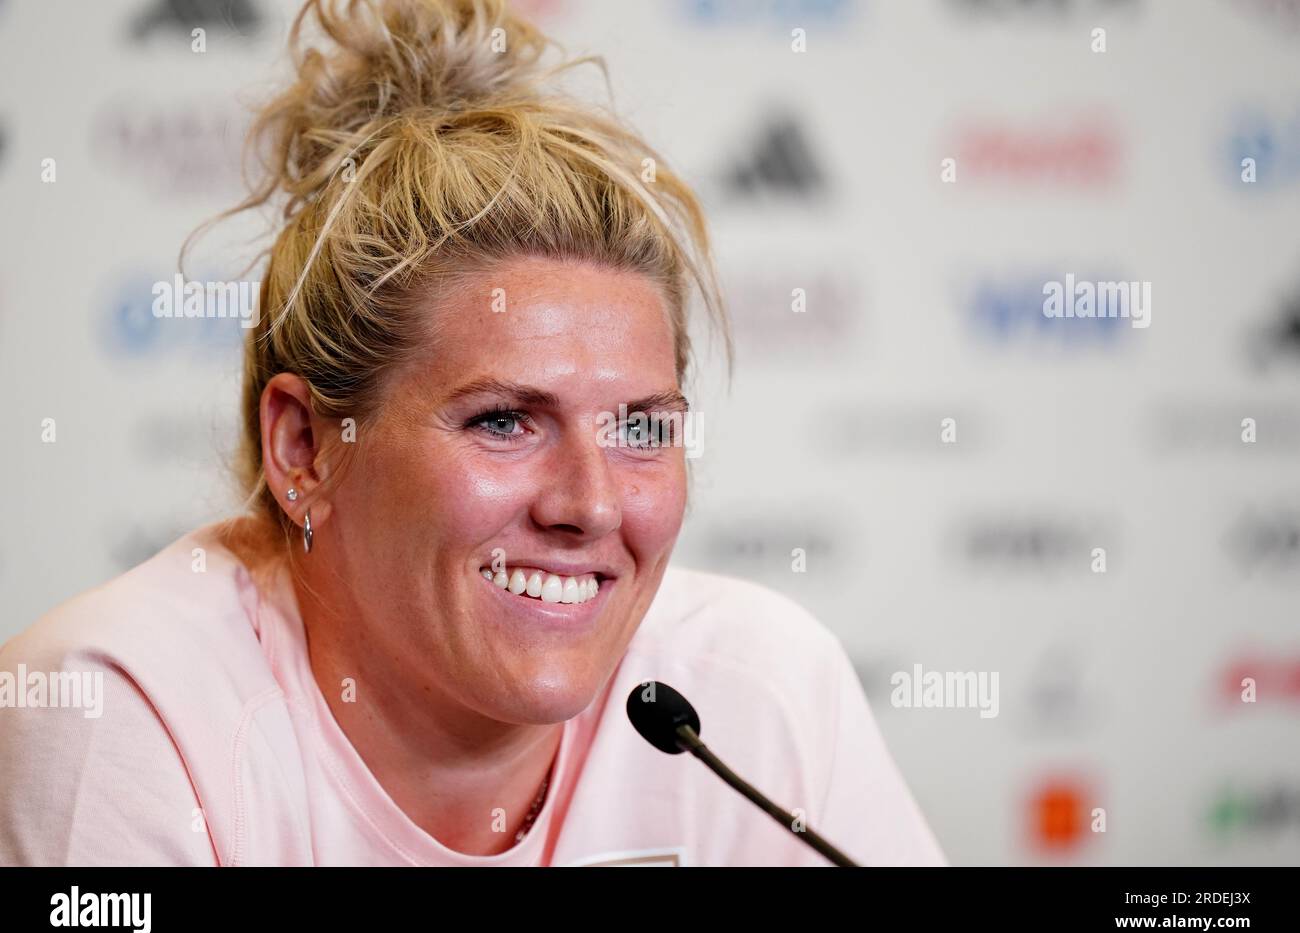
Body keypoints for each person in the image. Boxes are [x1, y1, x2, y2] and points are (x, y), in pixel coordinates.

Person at [0, 0, 944, 866]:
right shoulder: (119, 710)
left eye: (641, 428)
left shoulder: (761, 695)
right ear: (305, 450)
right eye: (504, 421)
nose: (592, 503)